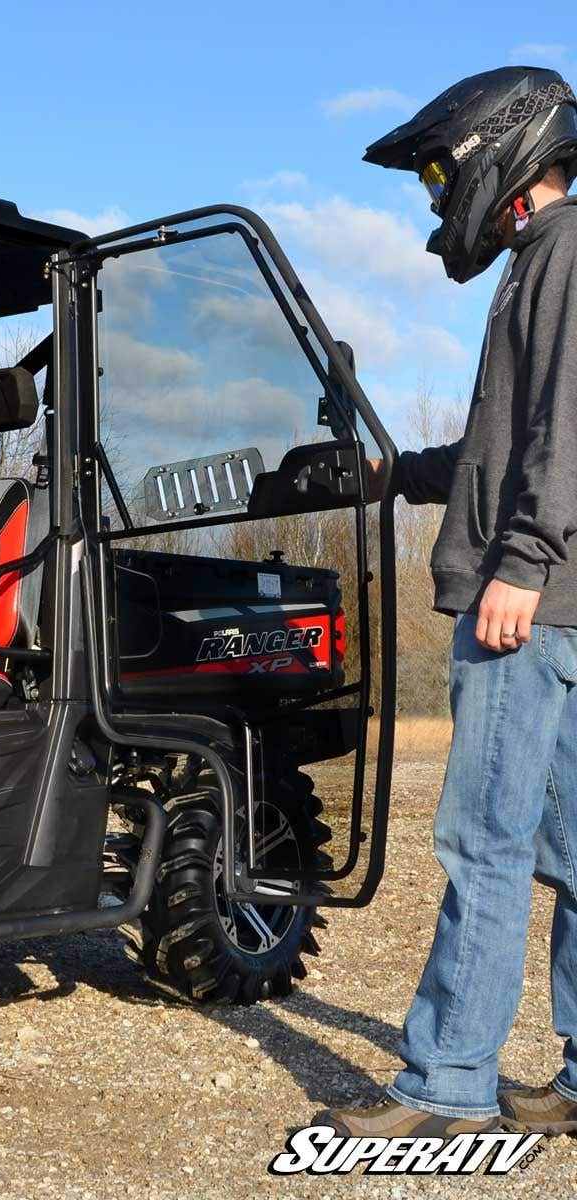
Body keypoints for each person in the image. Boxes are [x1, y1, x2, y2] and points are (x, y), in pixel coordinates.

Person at [319, 65, 577, 1138]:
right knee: (571, 851)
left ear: (500, 150)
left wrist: (520, 560)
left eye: (438, 171)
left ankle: (446, 1088)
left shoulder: (564, 254)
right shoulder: (543, 261)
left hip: (529, 602)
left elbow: (569, 425)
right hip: (558, 599)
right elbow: (503, 444)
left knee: (483, 841)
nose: (435, 198)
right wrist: (395, 476)